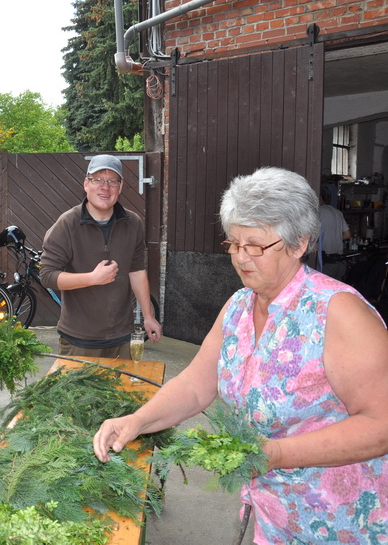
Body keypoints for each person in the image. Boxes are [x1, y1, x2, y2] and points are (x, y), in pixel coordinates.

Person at [93, 167, 388, 543]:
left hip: (343, 521)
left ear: (299, 243)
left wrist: (277, 453)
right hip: (274, 516)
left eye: (256, 245)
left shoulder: (338, 313)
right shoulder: (239, 306)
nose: (241, 258)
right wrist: (136, 421)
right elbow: (198, 385)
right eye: (233, 243)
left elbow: (381, 423)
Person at [39, 154, 162, 359]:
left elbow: (137, 271)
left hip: (122, 339)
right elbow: (47, 276)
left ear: (120, 188)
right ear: (86, 184)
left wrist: (148, 316)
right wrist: (92, 278)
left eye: (112, 181)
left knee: (121, 391)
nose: (105, 187)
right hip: (79, 340)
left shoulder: (133, 223)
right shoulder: (67, 224)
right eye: (97, 180)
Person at [317, 188, 351, 280]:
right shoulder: (337, 212)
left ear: (319, 198)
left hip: (327, 263)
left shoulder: (318, 212)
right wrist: (334, 238)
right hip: (340, 262)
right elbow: (347, 235)